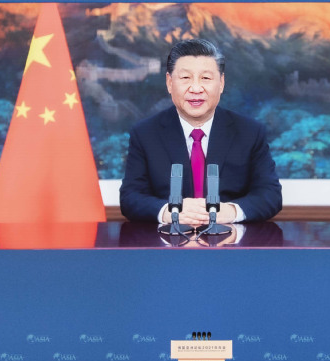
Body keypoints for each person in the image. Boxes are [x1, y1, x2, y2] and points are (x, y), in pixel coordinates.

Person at [119, 39, 282, 225]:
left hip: (229, 245)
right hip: (168, 246)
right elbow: (130, 198)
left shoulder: (250, 132)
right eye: (185, 78)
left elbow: (270, 195)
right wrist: (169, 212)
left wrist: (231, 212)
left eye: (205, 78)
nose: (196, 89)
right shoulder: (145, 134)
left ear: (221, 83)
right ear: (169, 83)